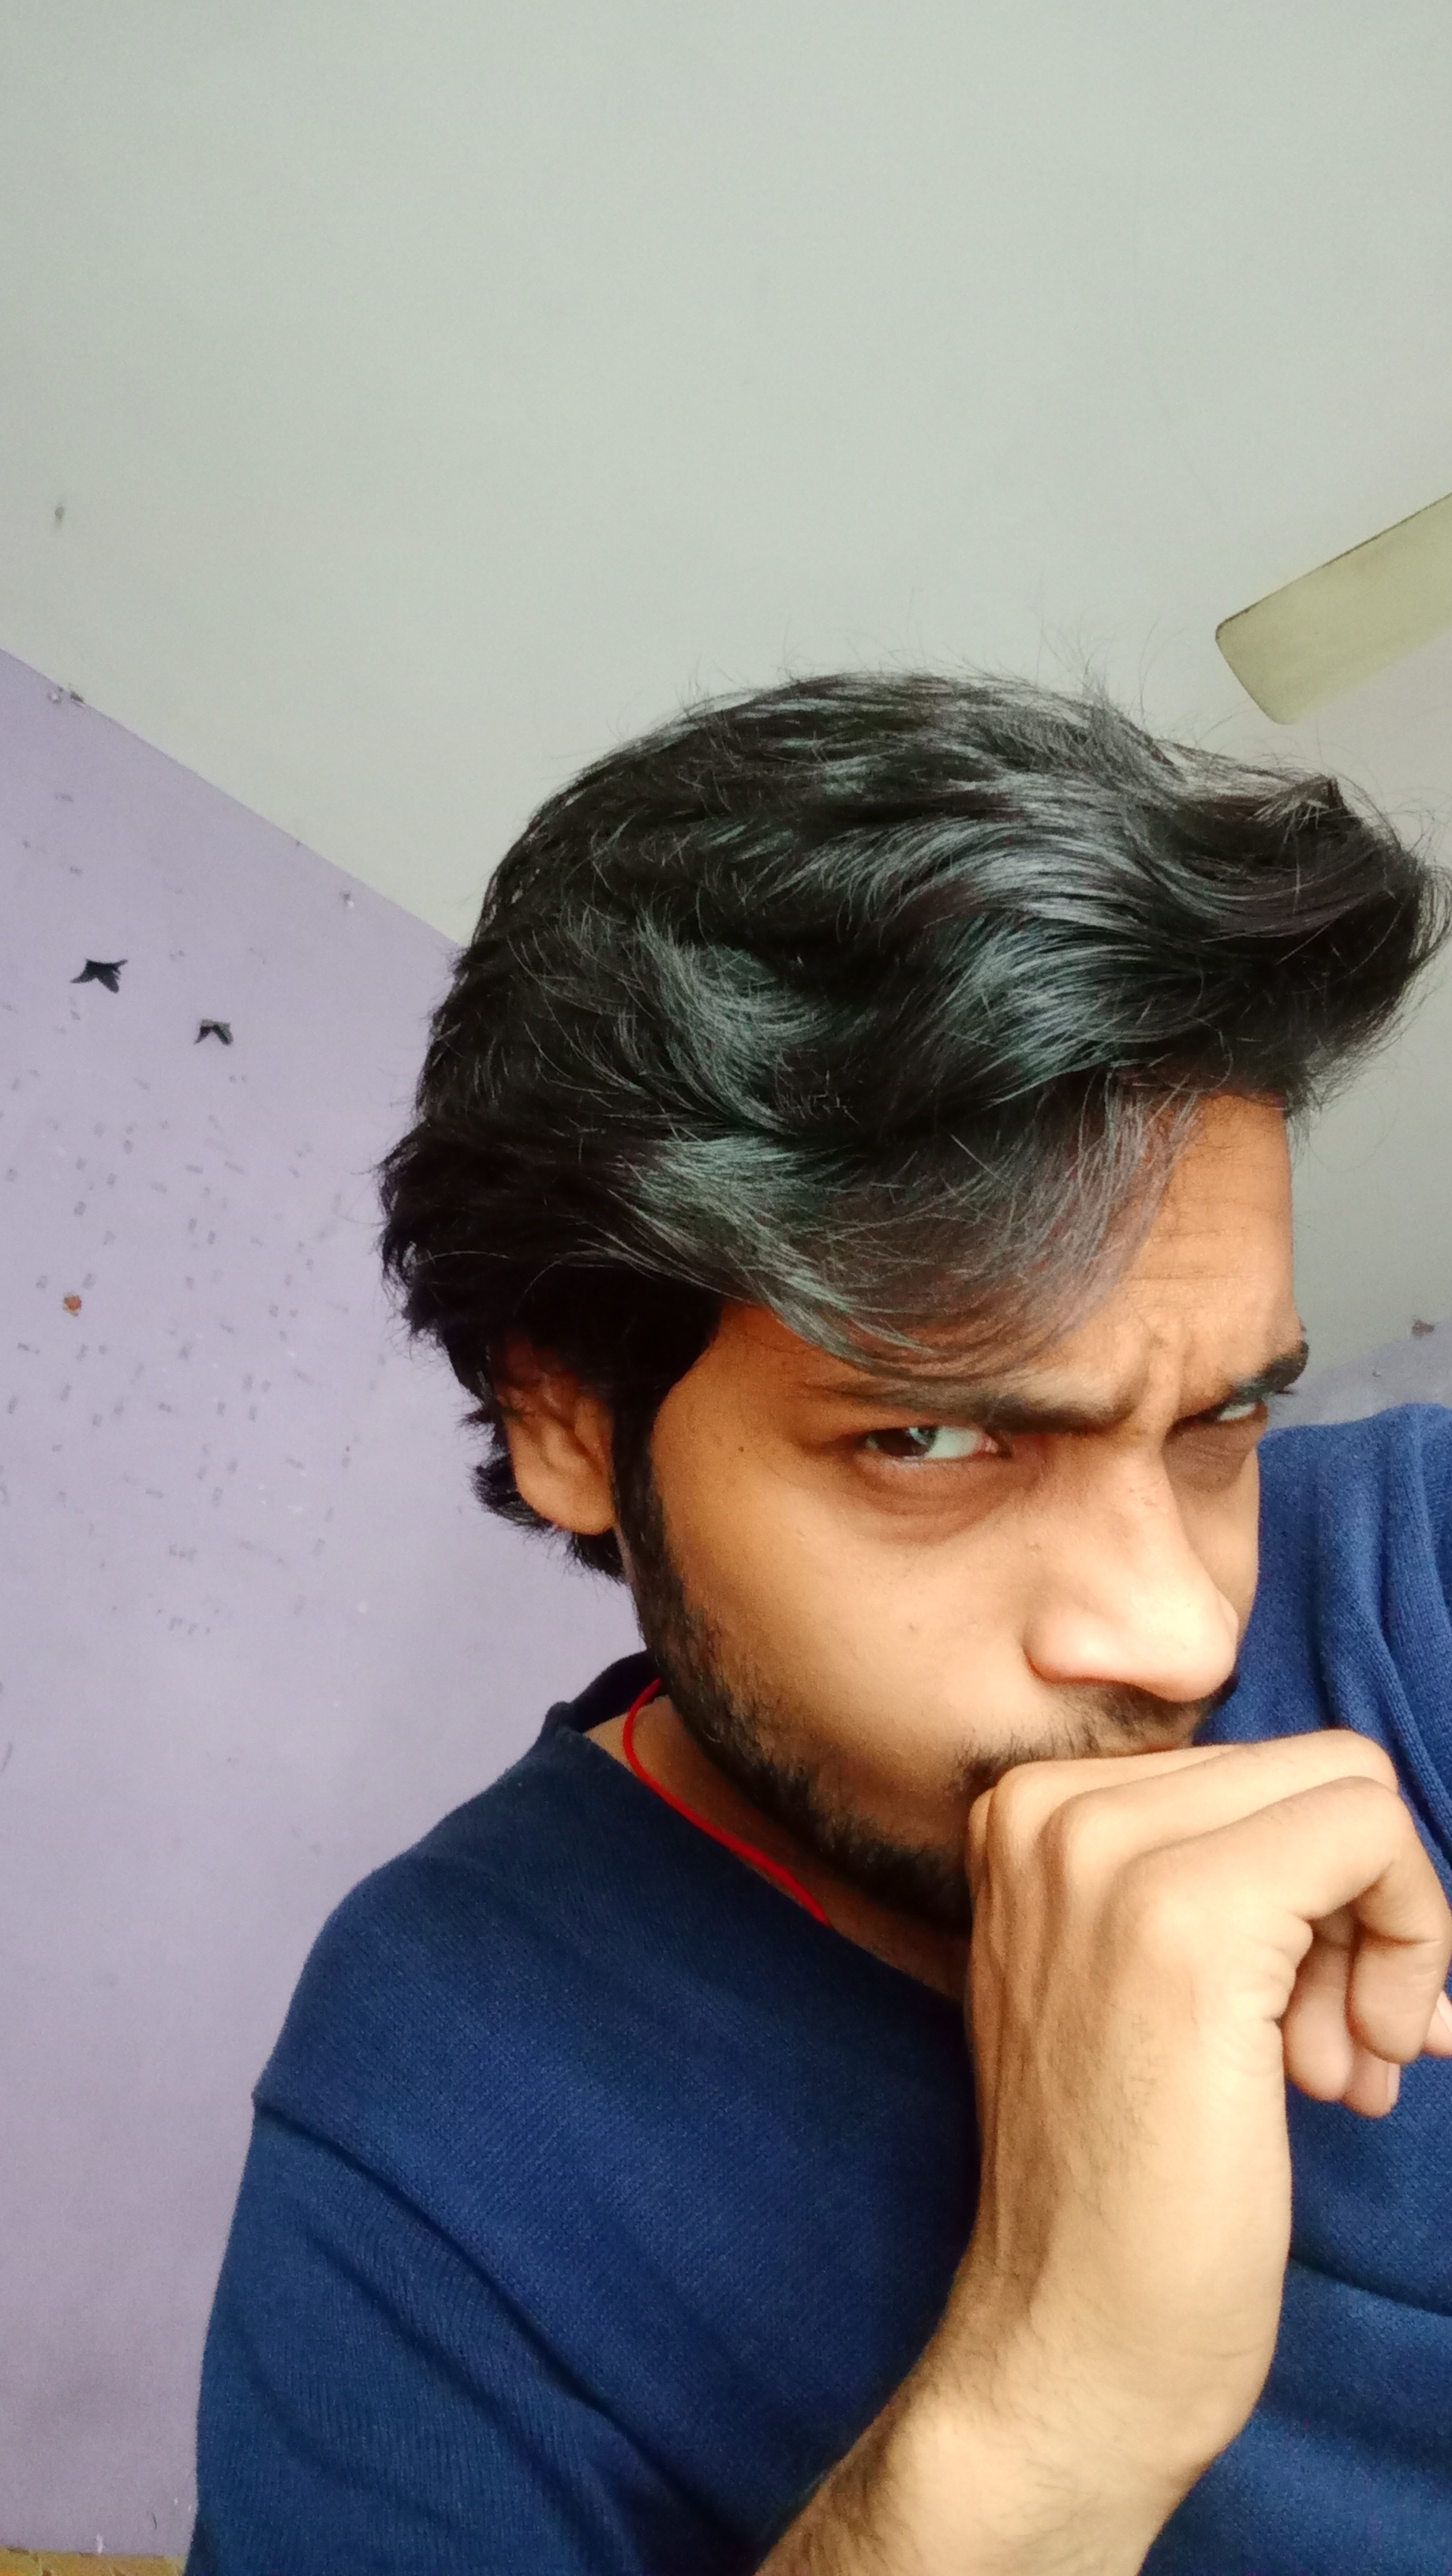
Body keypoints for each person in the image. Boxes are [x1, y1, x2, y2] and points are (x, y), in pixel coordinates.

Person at [187, 675, 1452, 2576]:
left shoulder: (1410, 1566)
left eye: (1216, 1419)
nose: (1180, 1633)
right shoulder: (427, 2123)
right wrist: (1051, 2414)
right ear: (565, 1421)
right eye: (928, 1440)